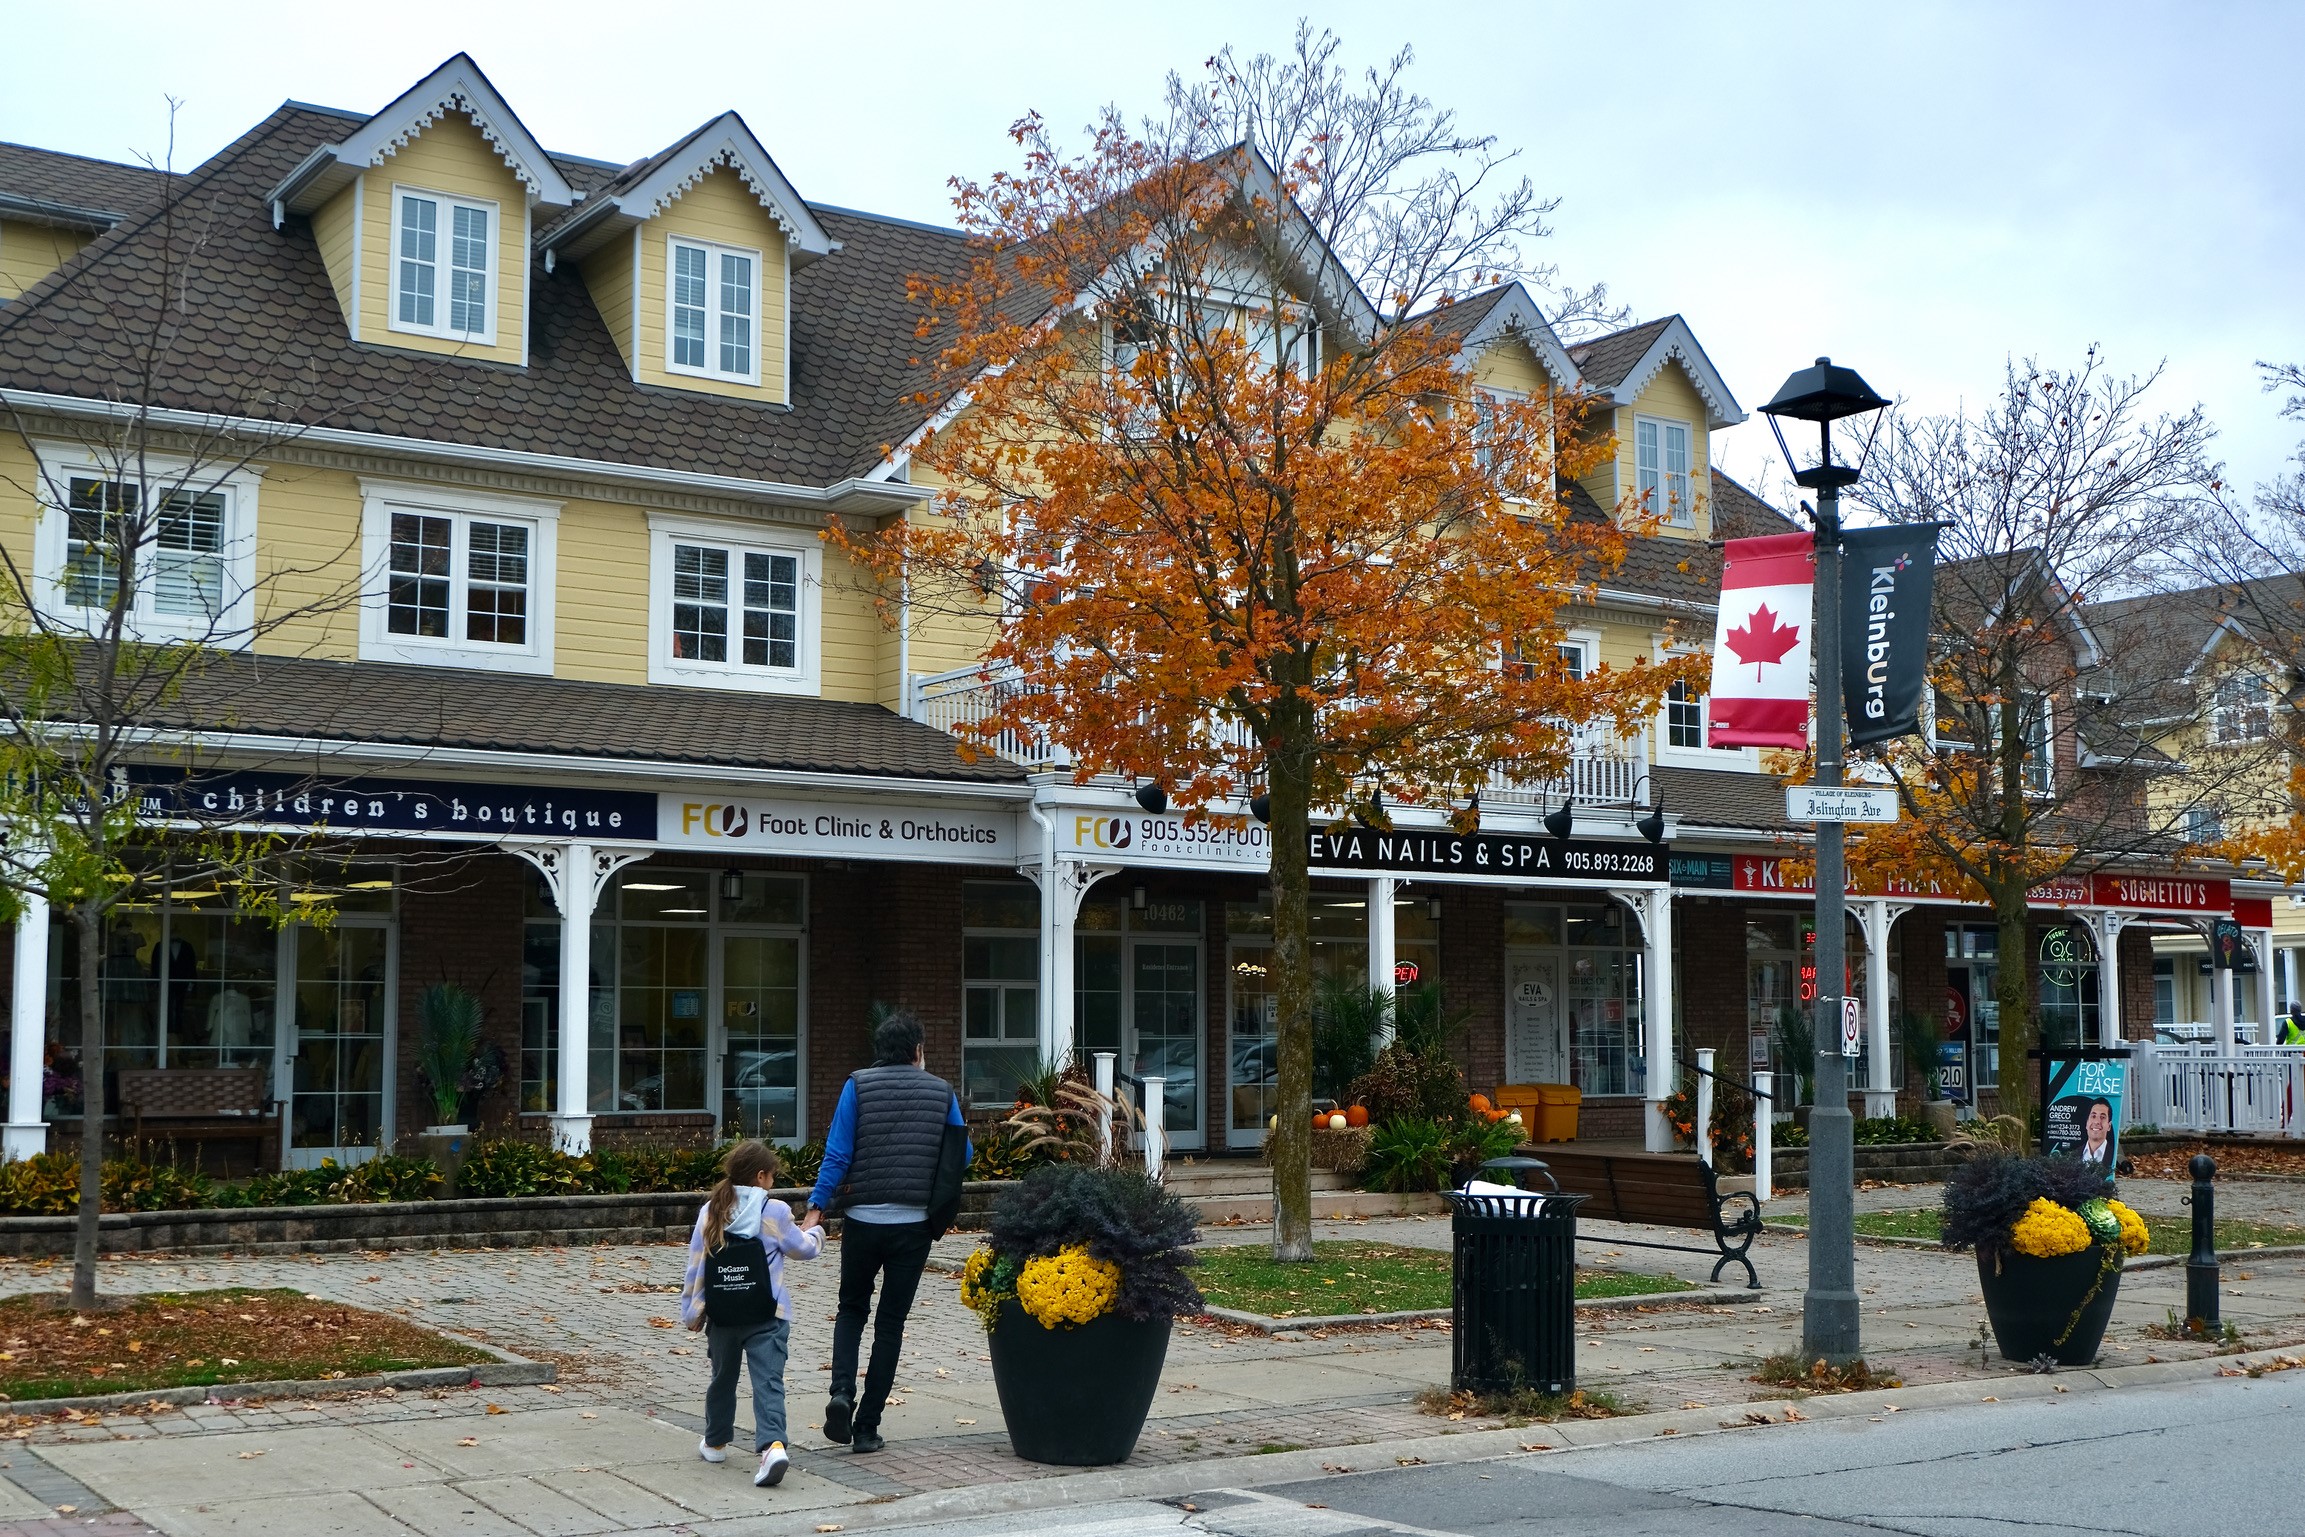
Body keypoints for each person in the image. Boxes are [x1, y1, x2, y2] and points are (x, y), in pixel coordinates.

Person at [800, 1009, 968, 1455]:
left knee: (851, 1308)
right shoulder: (942, 1092)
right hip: (913, 1226)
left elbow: (837, 1153)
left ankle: (840, 1392)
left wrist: (816, 1209)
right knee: (890, 1324)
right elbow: (961, 1155)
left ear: (880, 1051)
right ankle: (868, 1426)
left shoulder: (857, 1085)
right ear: (918, 1050)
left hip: (862, 1222)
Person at [681, 1139, 821, 1487]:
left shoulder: (711, 1210)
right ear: (761, 1176)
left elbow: (696, 1264)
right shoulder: (774, 1212)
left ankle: (715, 1442)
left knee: (722, 1379)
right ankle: (772, 1447)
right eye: (772, 1175)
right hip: (768, 1314)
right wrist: (816, 1230)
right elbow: (802, 1250)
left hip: (723, 1314)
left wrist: (693, 1311)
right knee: (768, 1383)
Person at [2078, 1097, 2115, 1167]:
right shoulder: (2074, 1154)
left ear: (2109, 1126)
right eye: (2093, 1116)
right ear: (2087, 1123)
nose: (2097, 1122)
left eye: (2102, 1117)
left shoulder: (2114, 1154)